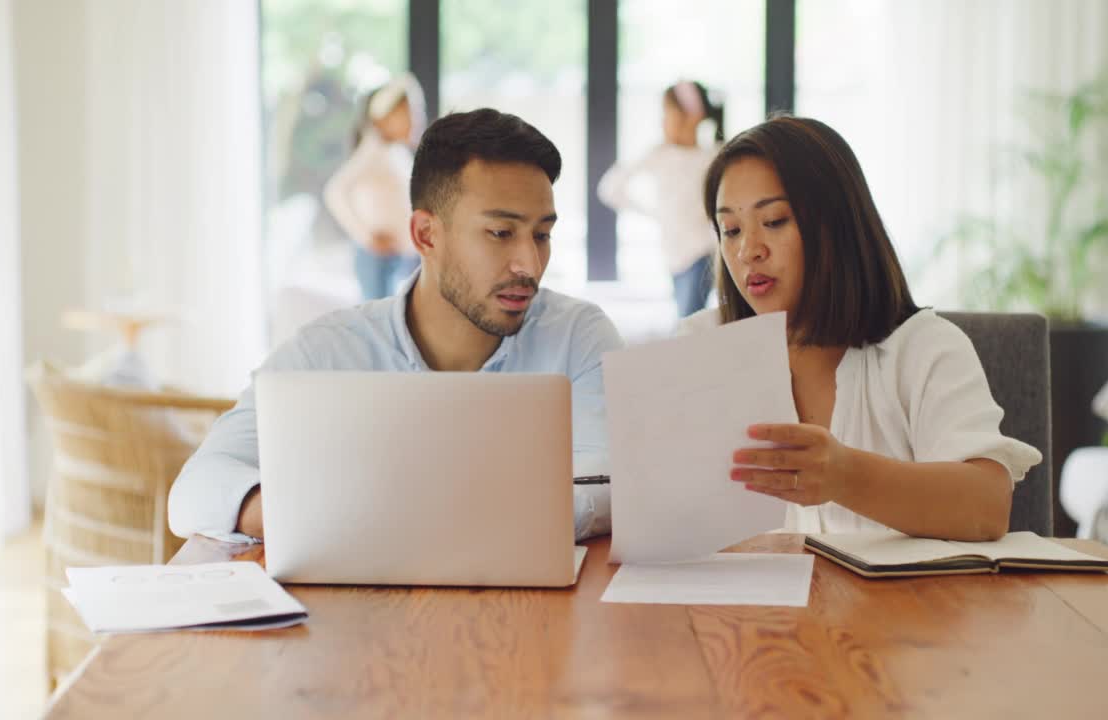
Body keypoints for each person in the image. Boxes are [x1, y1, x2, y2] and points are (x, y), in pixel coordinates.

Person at [171, 109, 623, 543]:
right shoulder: (327, 351)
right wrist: (314, 517)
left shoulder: (577, 337)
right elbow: (195, 491)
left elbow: (609, 484)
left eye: (541, 235)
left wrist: (414, 518)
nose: (529, 263)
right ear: (426, 235)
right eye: (502, 233)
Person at [686, 115, 1042, 541]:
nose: (748, 251)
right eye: (731, 229)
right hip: (740, 606)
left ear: (835, 226)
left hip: (903, 608)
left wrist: (845, 476)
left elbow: (986, 507)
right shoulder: (698, 347)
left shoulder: (924, 348)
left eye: (776, 220)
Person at [598, 80, 724, 317]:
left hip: (702, 252)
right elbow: (611, 187)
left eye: (668, 113)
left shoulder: (712, 155)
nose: (663, 122)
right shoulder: (659, 154)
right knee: (686, 320)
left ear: (693, 116)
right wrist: (653, 213)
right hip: (673, 255)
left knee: (687, 321)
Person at [323, 72, 427, 301]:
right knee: (378, 327)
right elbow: (335, 192)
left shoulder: (397, 152)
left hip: (398, 258)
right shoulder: (373, 150)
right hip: (378, 260)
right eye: (408, 113)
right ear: (385, 118)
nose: (416, 120)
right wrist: (366, 237)